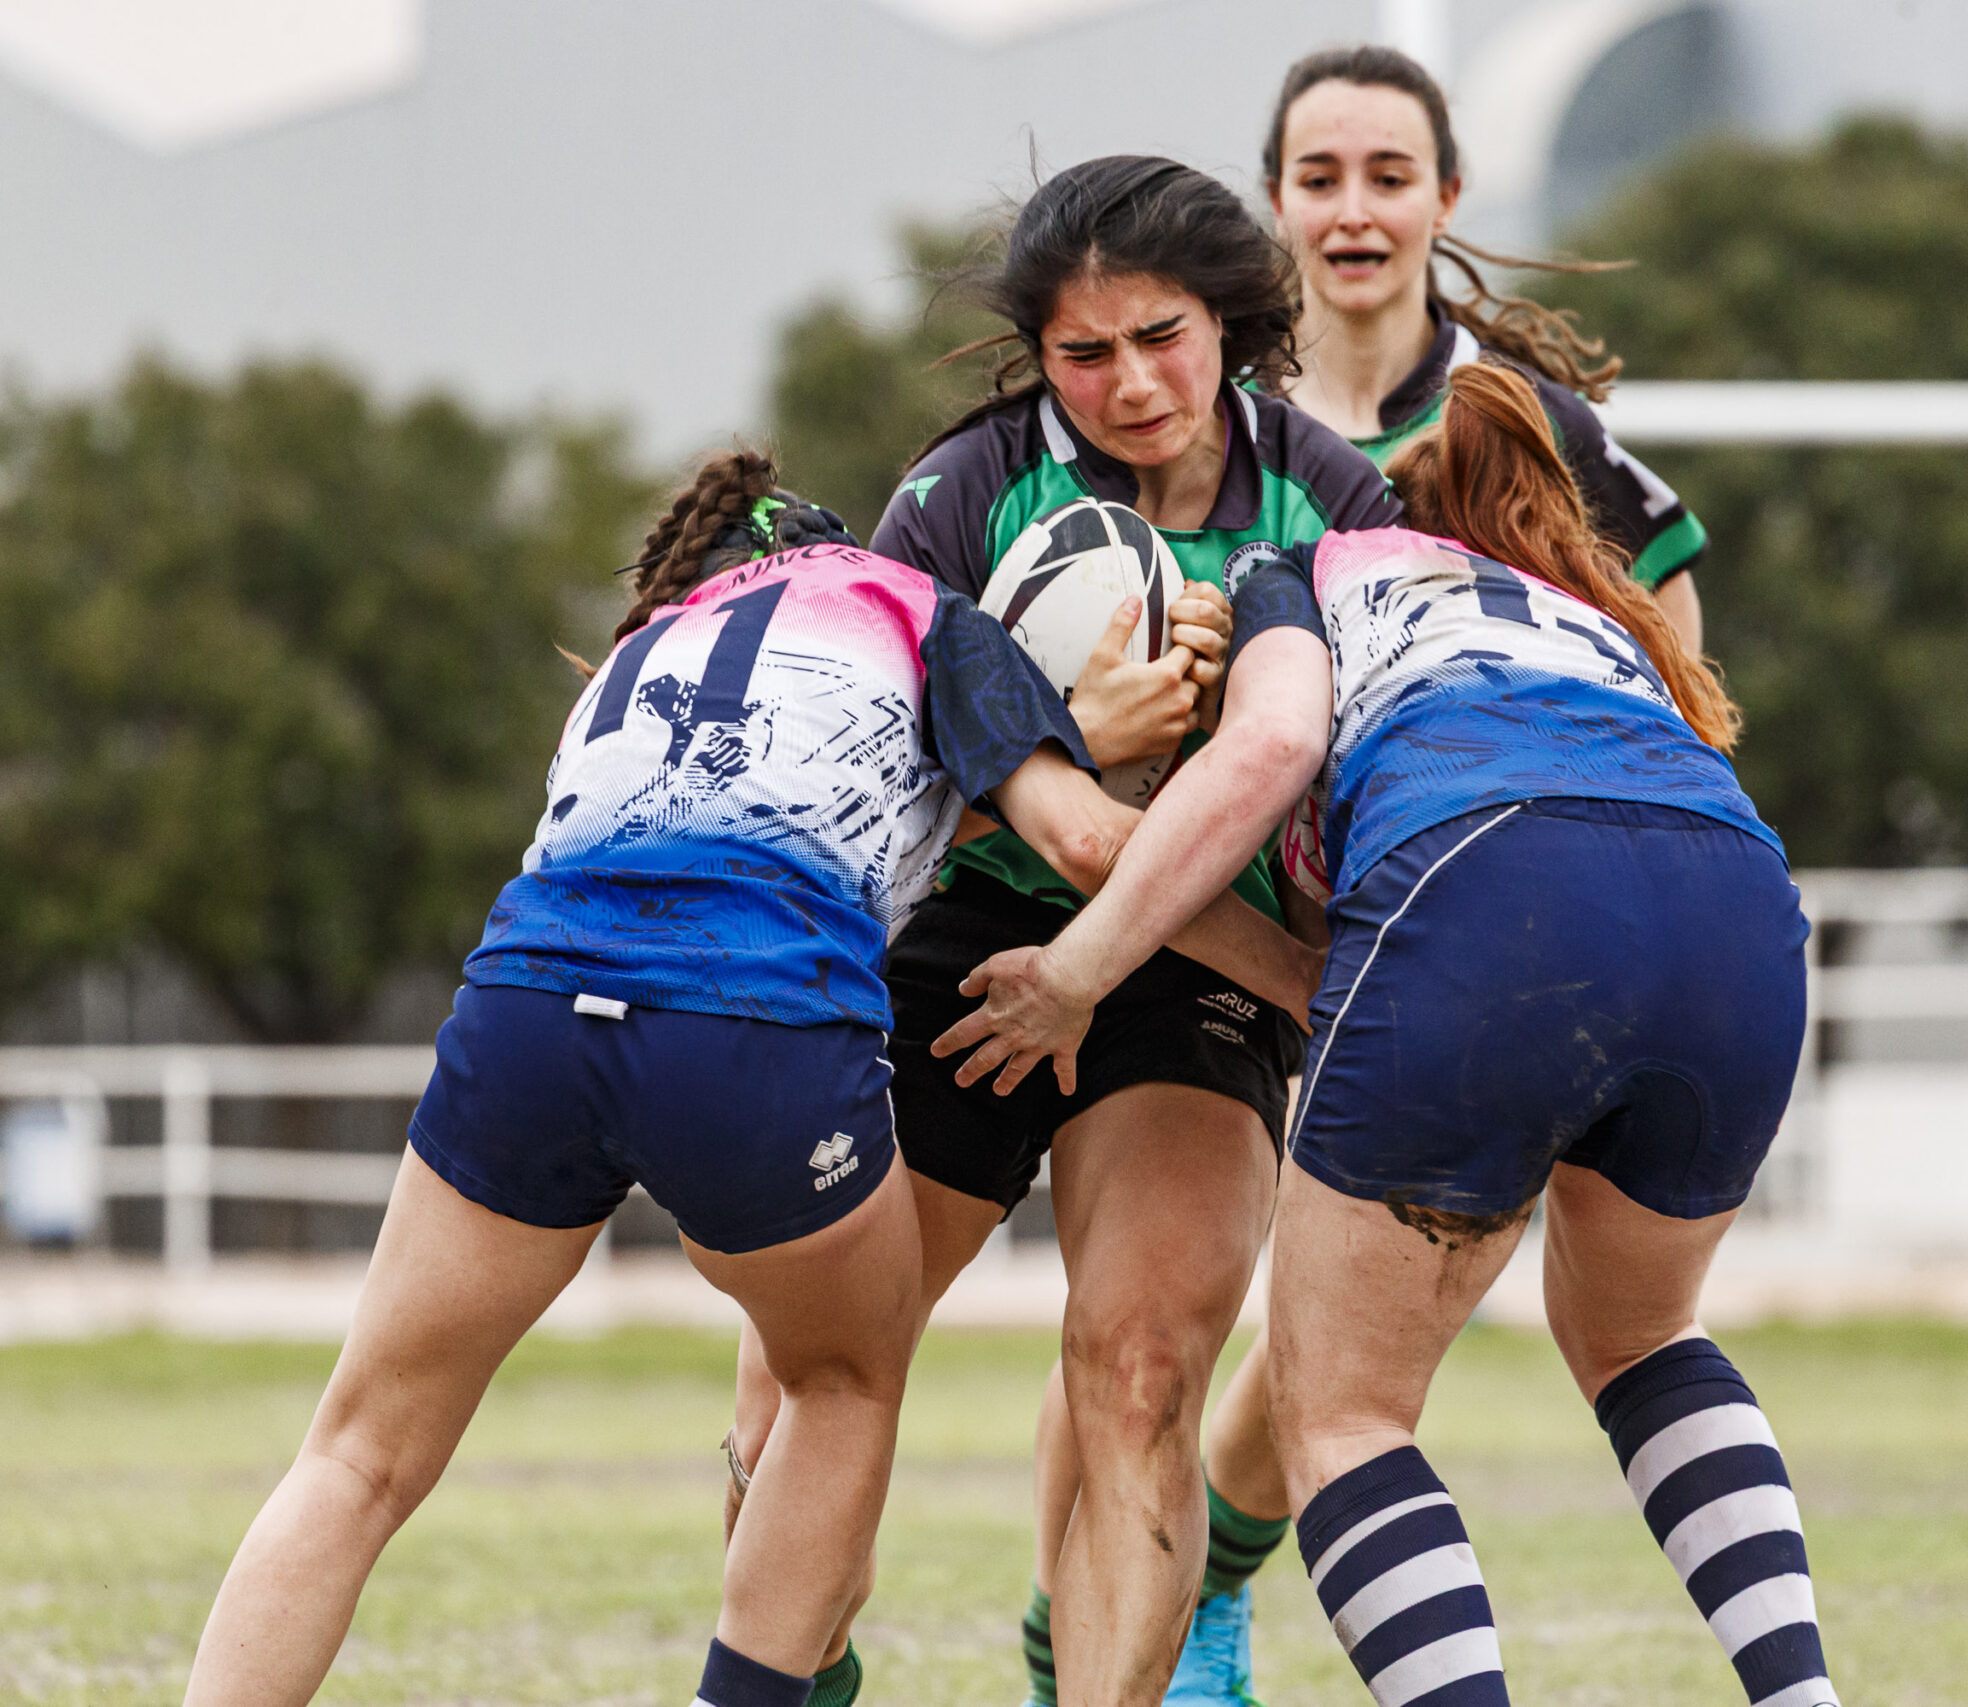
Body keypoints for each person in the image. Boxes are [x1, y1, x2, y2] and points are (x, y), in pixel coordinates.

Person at [179, 450, 1304, 1707]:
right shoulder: (916, 604)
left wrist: (1056, 736)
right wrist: (1317, 978)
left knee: (357, 1450)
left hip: (529, 1005)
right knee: (841, 1383)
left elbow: (823, 795)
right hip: (752, 1016)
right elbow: (1091, 845)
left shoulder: (640, 649)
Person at [938, 363, 1839, 1707]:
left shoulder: (1298, 564)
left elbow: (1280, 788)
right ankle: (1800, 1691)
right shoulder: (1594, 613)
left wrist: (1087, 954)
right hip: (1737, 895)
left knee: (1343, 1410)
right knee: (1646, 1337)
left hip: (1486, 873)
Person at [723, 155, 1398, 1707]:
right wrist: (1072, 740)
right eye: (1085, 353)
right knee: (812, 1378)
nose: (1130, 383)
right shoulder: (961, 492)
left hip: (1202, 966)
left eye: (1163, 334)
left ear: (1231, 319)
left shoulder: (1333, 504)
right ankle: (799, 1674)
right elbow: (856, 785)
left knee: (1144, 1367)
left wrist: (1246, 719)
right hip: (975, 932)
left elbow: (1350, 804)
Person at [1263, 42, 1710, 653]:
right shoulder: (1219, 417)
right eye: (1319, 180)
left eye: (1389, 179)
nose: (1354, 211)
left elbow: (1662, 586)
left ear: (1446, 198)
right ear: (1277, 199)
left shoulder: (1524, 415)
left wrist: (1663, 741)